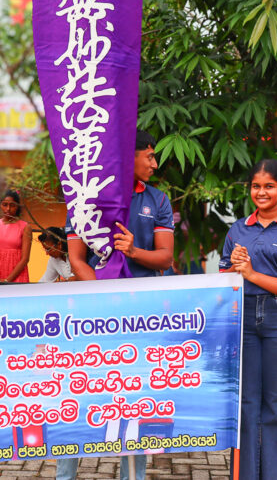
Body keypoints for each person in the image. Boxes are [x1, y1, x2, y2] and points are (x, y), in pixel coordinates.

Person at [57, 130, 175, 480]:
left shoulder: (159, 199)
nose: (155, 163)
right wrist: (103, 298)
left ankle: (133, 477)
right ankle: (65, 475)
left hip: (143, 318)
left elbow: (165, 258)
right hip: (95, 316)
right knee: (80, 397)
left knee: (135, 401)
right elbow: (77, 259)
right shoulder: (85, 198)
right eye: (150, 155)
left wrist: (135, 251)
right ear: (129, 158)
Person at [220, 158, 277, 480]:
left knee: (276, 406)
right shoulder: (238, 229)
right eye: (256, 186)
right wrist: (233, 269)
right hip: (242, 320)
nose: (262, 192)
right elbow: (224, 279)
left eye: (269, 186)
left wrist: (252, 274)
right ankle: (245, 475)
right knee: (246, 404)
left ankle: (274, 475)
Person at [0, 190, 32, 283]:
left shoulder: (25, 227)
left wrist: (7, 280)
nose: (8, 209)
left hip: (17, 275)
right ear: (0, 205)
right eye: (5, 205)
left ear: (17, 207)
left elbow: (25, 259)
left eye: (12, 205)